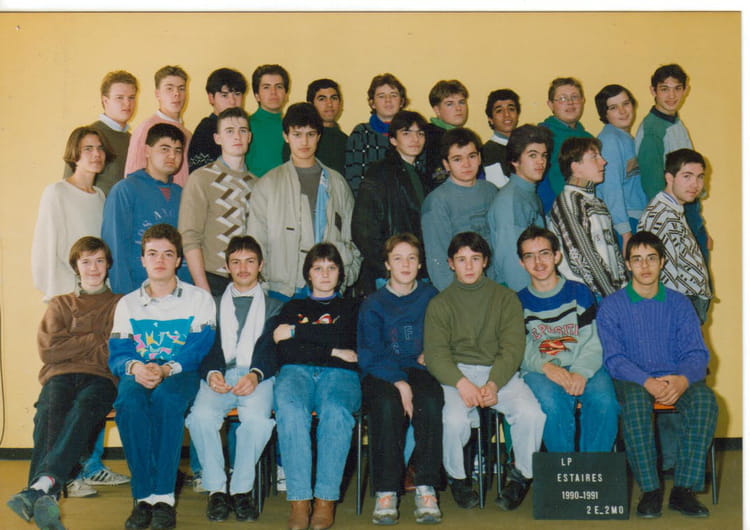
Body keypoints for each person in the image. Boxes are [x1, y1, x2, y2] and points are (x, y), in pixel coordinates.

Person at [598, 231, 717, 519]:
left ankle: (683, 490)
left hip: (675, 378)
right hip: (633, 380)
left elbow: (697, 354)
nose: (645, 266)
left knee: (705, 401)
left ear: (662, 262)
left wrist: (683, 379)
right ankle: (650, 490)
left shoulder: (680, 304)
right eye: (637, 259)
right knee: (637, 403)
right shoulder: (612, 306)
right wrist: (647, 381)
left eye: (651, 258)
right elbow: (614, 359)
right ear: (628, 265)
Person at [424, 232, 544, 512]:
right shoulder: (440, 304)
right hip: (457, 373)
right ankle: (457, 478)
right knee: (453, 420)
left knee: (532, 414)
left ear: (485, 261)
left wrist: (493, 383)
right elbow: (436, 354)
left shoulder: (505, 298)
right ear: (450, 264)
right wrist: (461, 383)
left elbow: (512, 348)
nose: (468, 266)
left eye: (475, 259)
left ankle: (520, 476)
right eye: (461, 260)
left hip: (498, 371)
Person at [7, 237, 121, 530]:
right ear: (76, 267)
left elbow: (113, 350)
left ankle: (37, 489)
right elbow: (49, 351)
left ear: (108, 265)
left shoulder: (119, 304)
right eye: (86, 262)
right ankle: (46, 492)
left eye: (99, 261)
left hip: (102, 377)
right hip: (59, 375)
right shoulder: (60, 304)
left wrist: (73, 342)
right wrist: (95, 338)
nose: (93, 268)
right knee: (48, 412)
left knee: (84, 409)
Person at [108, 224, 216, 530]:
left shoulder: (199, 299)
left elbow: (199, 347)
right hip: (140, 371)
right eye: (152, 253)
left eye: (168, 254)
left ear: (178, 260)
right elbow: (118, 352)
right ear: (142, 259)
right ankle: (143, 497)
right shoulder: (127, 304)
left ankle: (164, 498)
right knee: (129, 404)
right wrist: (136, 368)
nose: (160, 260)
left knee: (167, 401)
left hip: (181, 372)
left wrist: (167, 369)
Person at [185, 236, 282, 523]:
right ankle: (217, 490)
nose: (243, 268)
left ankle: (241, 491)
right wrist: (212, 373)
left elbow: (273, 349)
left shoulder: (275, 306)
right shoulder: (211, 305)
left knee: (257, 422)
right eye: (236, 262)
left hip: (257, 375)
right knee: (200, 418)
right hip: (220, 374)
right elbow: (205, 347)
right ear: (226, 267)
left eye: (250, 261)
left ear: (261, 265)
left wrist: (255, 374)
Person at [272, 243, 361, 530]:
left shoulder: (352, 307)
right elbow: (284, 349)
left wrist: (297, 331)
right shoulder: (292, 307)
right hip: (296, 371)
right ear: (308, 274)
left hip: (340, 375)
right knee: (291, 410)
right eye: (318, 268)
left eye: (331, 268)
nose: (324, 274)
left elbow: (345, 335)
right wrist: (332, 350)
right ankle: (300, 501)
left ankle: (325, 500)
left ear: (340, 274)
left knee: (336, 412)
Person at [358, 233, 442, 525]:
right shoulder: (373, 303)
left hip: (420, 369)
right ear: (387, 265)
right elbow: (369, 353)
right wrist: (399, 382)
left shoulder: (431, 296)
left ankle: (426, 486)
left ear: (419, 264)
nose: (405, 265)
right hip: (383, 370)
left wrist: (433, 351)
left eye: (411, 258)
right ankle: (386, 491)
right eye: (398, 259)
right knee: (386, 406)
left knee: (430, 401)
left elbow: (445, 333)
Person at [516, 226, 618, 452]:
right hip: (541, 369)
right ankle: (565, 467)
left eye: (544, 253)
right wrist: (546, 367)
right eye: (529, 256)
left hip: (584, 363)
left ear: (557, 256)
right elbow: (518, 347)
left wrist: (581, 372)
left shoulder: (579, 293)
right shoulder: (517, 302)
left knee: (605, 403)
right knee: (551, 405)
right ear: (521, 263)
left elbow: (594, 340)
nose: (538, 262)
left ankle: (592, 467)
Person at [247, 102, 361, 301]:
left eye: (310, 134)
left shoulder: (337, 183)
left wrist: (346, 276)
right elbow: (256, 240)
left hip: (330, 288)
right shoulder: (268, 184)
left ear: (319, 136)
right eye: (297, 134)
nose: (304, 142)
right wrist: (263, 284)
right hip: (282, 290)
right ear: (286, 136)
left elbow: (353, 238)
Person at [102, 123, 192, 294]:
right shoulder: (125, 190)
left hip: (180, 292)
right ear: (147, 151)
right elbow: (115, 248)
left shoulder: (182, 194)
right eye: (164, 149)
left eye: (178, 150)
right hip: (138, 291)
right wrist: (123, 296)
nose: (172, 155)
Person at [635, 63, 709, 264]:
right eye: (664, 89)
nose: (671, 95)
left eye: (677, 88)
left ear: (685, 90)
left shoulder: (675, 121)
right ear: (653, 91)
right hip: (673, 216)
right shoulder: (653, 130)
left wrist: (700, 226)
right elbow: (653, 186)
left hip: (689, 211)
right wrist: (677, 227)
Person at [179, 106, 257, 296]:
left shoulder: (257, 184)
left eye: (242, 130)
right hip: (212, 280)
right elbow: (189, 237)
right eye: (229, 131)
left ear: (249, 137)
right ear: (217, 138)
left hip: (249, 282)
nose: (237, 136)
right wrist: (202, 286)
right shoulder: (201, 178)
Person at [352, 110, 431, 295]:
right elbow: (363, 230)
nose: (415, 139)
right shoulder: (379, 172)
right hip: (386, 275)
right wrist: (387, 267)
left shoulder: (422, 175)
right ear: (393, 140)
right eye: (407, 133)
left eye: (420, 133)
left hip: (416, 272)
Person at [33, 126, 113, 302]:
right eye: (88, 149)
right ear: (74, 154)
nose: (96, 154)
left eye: (100, 148)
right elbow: (45, 248)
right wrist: (58, 293)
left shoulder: (100, 195)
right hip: (66, 293)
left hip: (95, 290)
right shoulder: (57, 192)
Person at [637, 148, 711, 323]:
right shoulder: (662, 215)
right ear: (669, 178)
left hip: (686, 303)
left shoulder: (672, 210)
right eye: (687, 176)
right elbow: (659, 272)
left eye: (699, 177)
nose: (695, 184)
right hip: (678, 307)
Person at [548, 137, 627, 299]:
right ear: (575, 166)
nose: (603, 162)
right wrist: (614, 298)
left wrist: (625, 288)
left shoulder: (596, 202)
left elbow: (614, 253)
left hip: (611, 293)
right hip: (589, 297)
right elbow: (583, 258)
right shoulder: (569, 202)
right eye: (594, 157)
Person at [421, 127, 498, 291]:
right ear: (446, 164)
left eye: (472, 156)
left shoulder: (491, 191)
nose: (466, 164)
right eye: (457, 159)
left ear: (479, 158)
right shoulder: (437, 202)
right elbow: (438, 261)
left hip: (496, 284)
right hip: (461, 290)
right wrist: (457, 297)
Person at [487, 124, 552, 290]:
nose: (541, 161)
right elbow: (512, 264)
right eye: (532, 155)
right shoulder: (510, 201)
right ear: (515, 160)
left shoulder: (529, 193)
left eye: (544, 155)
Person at [62, 70, 138, 195]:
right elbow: (68, 189)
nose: (127, 103)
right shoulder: (86, 137)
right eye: (119, 98)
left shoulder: (134, 140)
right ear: (105, 100)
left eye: (131, 98)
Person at [594, 84, 648, 252]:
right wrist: (625, 233)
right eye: (613, 107)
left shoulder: (626, 138)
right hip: (625, 222)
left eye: (626, 104)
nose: (623, 111)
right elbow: (611, 189)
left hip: (636, 218)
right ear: (605, 114)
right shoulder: (610, 140)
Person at [124, 65, 192, 187]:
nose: (176, 94)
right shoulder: (146, 128)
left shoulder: (187, 134)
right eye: (169, 88)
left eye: (181, 88)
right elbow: (132, 179)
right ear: (157, 94)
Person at [345, 73, 408, 196]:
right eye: (381, 96)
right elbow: (354, 180)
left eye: (393, 95)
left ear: (401, 101)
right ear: (372, 103)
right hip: (370, 202)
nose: (388, 100)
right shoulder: (361, 134)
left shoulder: (412, 134)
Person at [538, 77, 594, 213]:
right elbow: (539, 180)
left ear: (583, 101)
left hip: (587, 208)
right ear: (550, 104)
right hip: (557, 211)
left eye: (574, 97)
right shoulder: (542, 135)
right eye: (562, 98)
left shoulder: (589, 138)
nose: (570, 102)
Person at [187, 67, 247, 173]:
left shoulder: (245, 127)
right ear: (211, 98)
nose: (232, 101)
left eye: (237, 94)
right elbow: (200, 174)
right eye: (224, 95)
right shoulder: (205, 130)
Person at [283, 78, 348, 175]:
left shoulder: (346, 141)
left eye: (334, 98)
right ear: (311, 104)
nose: (329, 104)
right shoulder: (298, 139)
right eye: (322, 99)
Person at [421, 80, 470, 186]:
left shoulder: (467, 136)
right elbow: (437, 179)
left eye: (461, 102)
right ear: (437, 110)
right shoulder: (430, 138)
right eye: (449, 104)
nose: (458, 108)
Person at [245, 64, 289, 177]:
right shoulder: (246, 126)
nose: (273, 92)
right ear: (257, 96)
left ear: (286, 94)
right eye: (266, 87)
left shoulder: (293, 127)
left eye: (279, 86)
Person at [481, 88, 521, 188]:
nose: (507, 115)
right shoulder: (489, 151)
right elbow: (499, 188)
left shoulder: (526, 145)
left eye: (511, 109)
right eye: (499, 111)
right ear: (490, 119)